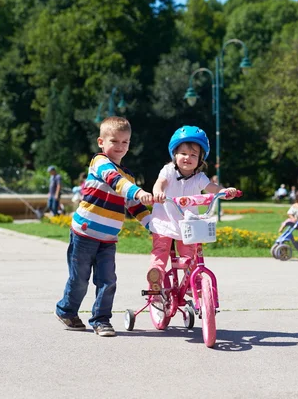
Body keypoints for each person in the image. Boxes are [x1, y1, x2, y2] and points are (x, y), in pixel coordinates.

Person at [54, 116, 153, 337]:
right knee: (79, 279)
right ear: (101, 142)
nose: (120, 146)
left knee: (108, 281)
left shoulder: (128, 176)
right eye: (114, 141)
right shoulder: (99, 162)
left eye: (125, 142)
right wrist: (137, 191)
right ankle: (66, 310)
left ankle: (101, 320)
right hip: (85, 233)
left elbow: (134, 206)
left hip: (108, 239)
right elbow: (114, 180)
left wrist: (153, 225)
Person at [147, 126, 237, 295]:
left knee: (190, 254)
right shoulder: (168, 171)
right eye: (183, 153)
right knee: (160, 250)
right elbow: (160, 183)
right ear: (175, 154)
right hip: (164, 220)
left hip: (187, 224)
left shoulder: (199, 177)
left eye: (194, 155)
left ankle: (192, 282)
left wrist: (225, 192)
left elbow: (212, 187)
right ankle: (156, 275)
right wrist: (158, 192)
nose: (188, 158)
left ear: (200, 159)